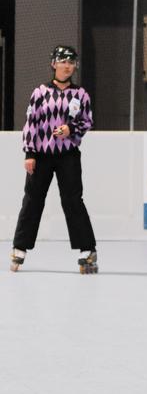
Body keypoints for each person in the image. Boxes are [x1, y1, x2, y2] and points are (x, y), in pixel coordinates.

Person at [11, 45, 97, 274]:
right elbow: (31, 123)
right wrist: (30, 153)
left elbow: (87, 120)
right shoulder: (40, 92)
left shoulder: (81, 94)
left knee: (73, 200)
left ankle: (87, 250)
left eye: (71, 62)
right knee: (32, 200)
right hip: (41, 156)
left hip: (68, 155)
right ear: (54, 64)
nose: (67, 66)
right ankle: (20, 248)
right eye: (63, 61)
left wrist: (70, 128)